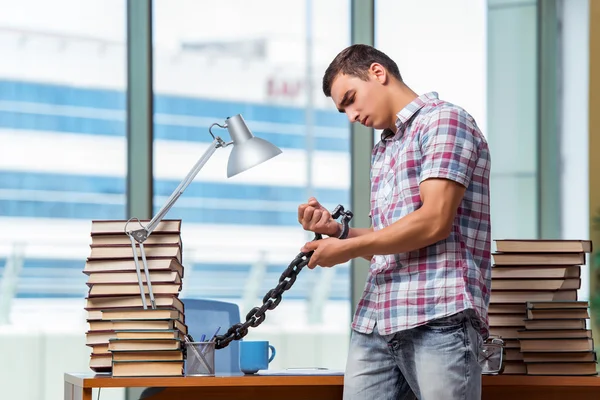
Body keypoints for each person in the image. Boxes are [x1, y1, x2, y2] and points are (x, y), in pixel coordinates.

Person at [297, 44, 491, 400]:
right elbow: (392, 242)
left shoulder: (443, 121)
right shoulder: (384, 148)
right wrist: (339, 232)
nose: (352, 115)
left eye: (351, 99)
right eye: (344, 110)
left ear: (377, 72)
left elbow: (433, 222)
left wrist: (346, 248)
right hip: (376, 319)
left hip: (438, 313)